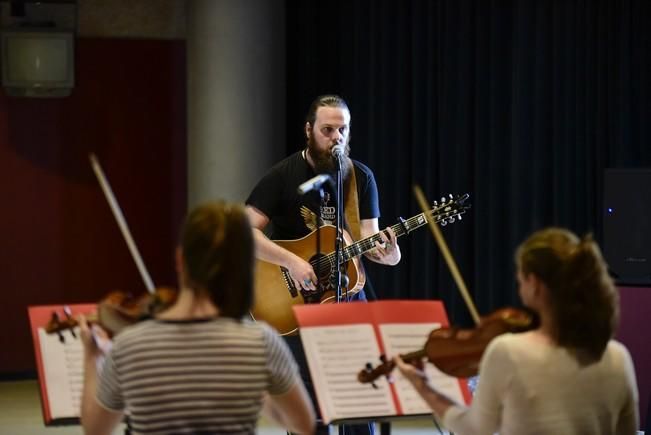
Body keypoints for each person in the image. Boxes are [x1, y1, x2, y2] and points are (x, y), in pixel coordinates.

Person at [78, 201, 316, 435]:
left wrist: (92, 358)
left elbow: (95, 429)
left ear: (181, 259)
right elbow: (303, 424)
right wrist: (255, 387)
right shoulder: (261, 343)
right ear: (242, 268)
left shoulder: (130, 344)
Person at [246, 95, 401, 434]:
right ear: (309, 130)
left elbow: (371, 240)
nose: (336, 138)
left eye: (341, 130)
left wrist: (390, 254)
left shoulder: (360, 177)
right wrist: (292, 262)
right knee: (309, 413)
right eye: (327, 130)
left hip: (347, 298)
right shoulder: (283, 175)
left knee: (361, 402)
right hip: (293, 304)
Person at [395, 227, 639, 435]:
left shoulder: (509, 351)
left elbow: (472, 429)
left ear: (535, 285)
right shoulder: (618, 357)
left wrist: (423, 388)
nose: (518, 280)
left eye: (521, 275)